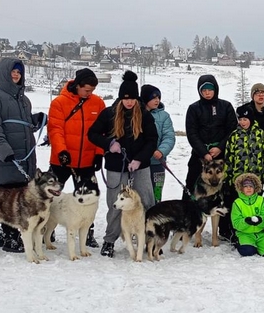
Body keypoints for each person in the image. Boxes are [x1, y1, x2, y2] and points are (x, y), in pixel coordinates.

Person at [86, 71, 158, 258]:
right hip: (116, 166)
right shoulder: (109, 114)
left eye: (132, 98)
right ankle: (110, 240)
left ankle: (148, 238)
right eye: (126, 99)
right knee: (116, 204)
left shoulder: (144, 115)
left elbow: (152, 140)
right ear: (120, 98)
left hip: (140, 166)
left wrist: (140, 158)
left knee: (147, 201)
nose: (129, 102)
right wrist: (109, 144)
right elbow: (92, 134)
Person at [0, 58, 46, 253]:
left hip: (24, 158)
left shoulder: (24, 100)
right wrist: (4, 152)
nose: (16, 75)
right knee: (7, 200)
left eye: (19, 72)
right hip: (5, 159)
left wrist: (36, 121)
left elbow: (22, 127)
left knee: (21, 197)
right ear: (3, 73)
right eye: (12, 71)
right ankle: (9, 237)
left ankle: (18, 235)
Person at [47, 67, 105, 248]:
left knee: (89, 197)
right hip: (62, 160)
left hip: (87, 161)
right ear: (77, 85)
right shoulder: (59, 103)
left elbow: (101, 131)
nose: (90, 93)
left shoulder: (98, 103)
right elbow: (55, 129)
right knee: (49, 195)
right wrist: (61, 151)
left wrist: (98, 154)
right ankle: (46, 229)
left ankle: (87, 232)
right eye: (87, 90)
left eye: (93, 90)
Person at [185, 74, 237, 193]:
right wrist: (203, 152)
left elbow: (232, 130)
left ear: (215, 90)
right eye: (204, 90)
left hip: (222, 155)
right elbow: (192, 133)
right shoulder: (194, 108)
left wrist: (220, 147)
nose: (207, 93)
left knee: (225, 189)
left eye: (210, 90)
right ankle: (189, 209)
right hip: (199, 155)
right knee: (192, 185)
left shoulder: (226, 106)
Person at [141, 83, 175, 204]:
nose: (157, 100)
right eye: (153, 97)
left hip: (157, 162)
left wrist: (161, 151)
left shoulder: (164, 116)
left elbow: (169, 136)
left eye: (158, 98)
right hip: (140, 163)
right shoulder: (137, 114)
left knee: (156, 193)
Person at [225, 104, 264, 190]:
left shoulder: (261, 135)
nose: (242, 122)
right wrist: (227, 179)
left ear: (251, 119)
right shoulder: (234, 135)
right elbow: (229, 158)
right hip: (238, 179)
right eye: (240, 119)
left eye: (245, 119)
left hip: (256, 179)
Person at [231, 173, 264, 257]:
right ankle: (238, 242)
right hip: (245, 233)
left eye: (251, 186)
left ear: (255, 188)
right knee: (248, 252)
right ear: (241, 188)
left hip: (261, 233)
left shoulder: (261, 200)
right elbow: (236, 223)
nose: (249, 188)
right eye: (246, 186)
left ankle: (261, 244)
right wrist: (246, 221)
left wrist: (260, 220)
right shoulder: (237, 203)